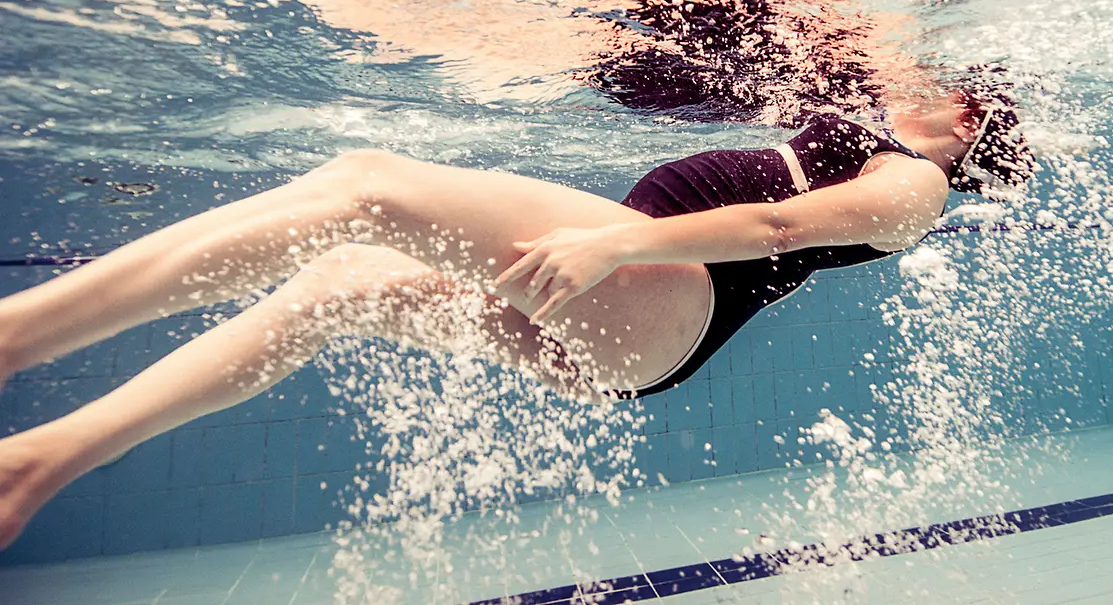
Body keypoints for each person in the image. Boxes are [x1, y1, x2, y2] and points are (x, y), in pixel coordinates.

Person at [0, 87, 1033, 549]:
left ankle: (15, 337)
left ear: (965, 118)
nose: (907, 74)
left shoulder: (914, 190)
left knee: (367, 183)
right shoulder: (866, 128)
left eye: (932, 75)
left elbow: (770, 226)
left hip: (662, 301)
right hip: (628, 321)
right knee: (340, 283)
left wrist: (617, 243)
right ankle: (42, 461)